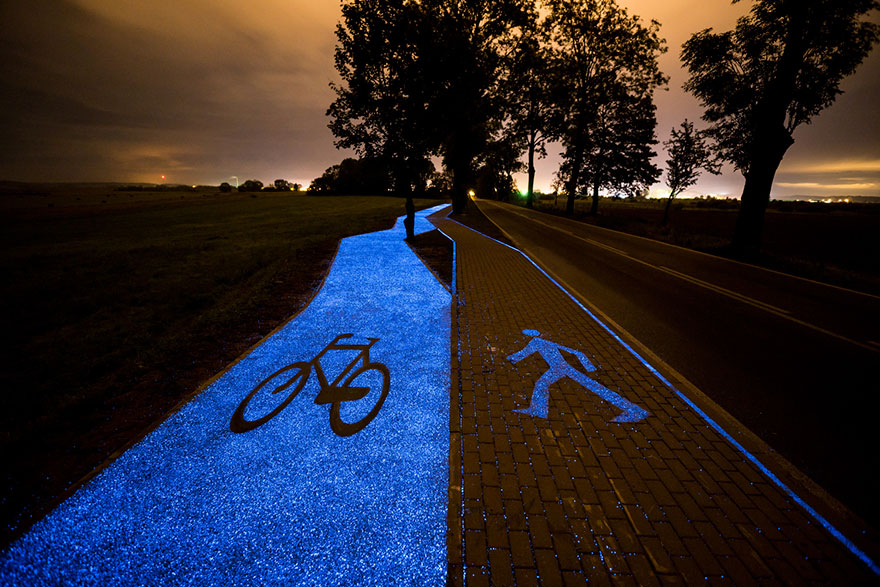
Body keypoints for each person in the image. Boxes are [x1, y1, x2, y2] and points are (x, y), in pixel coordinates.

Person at [507, 329, 648, 422]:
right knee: (592, 385)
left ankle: (633, 410)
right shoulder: (546, 341)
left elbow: (523, 353)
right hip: (562, 367)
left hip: (560, 368)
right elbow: (577, 352)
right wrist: (589, 367)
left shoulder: (536, 342)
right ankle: (632, 409)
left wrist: (510, 359)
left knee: (542, 384)